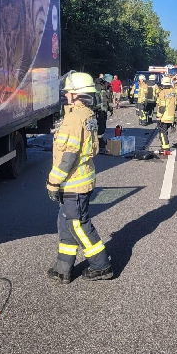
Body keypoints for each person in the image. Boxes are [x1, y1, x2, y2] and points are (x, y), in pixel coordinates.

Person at [47, 72, 113, 284]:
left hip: (74, 182)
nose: (65, 95)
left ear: (76, 95)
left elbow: (68, 154)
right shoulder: (86, 114)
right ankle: (63, 267)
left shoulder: (75, 117)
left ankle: (101, 266)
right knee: (65, 224)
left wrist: (53, 182)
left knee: (77, 224)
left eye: (68, 92)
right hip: (78, 180)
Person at [155, 76, 177, 154]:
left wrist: (159, 116)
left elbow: (162, 106)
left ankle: (165, 148)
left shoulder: (162, 92)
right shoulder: (174, 92)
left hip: (164, 116)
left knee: (162, 132)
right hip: (171, 116)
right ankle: (165, 146)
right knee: (165, 131)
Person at [94, 76, 111, 150]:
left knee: (103, 125)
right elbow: (97, 100)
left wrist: (110, 108)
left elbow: (107, 100)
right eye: (108, 82)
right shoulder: (99, 88)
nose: (109, 84)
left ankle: (100, 139)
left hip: (104, 110)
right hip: (99, 110)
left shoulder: (106, 88)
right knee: (100, 125)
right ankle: (98, 141)